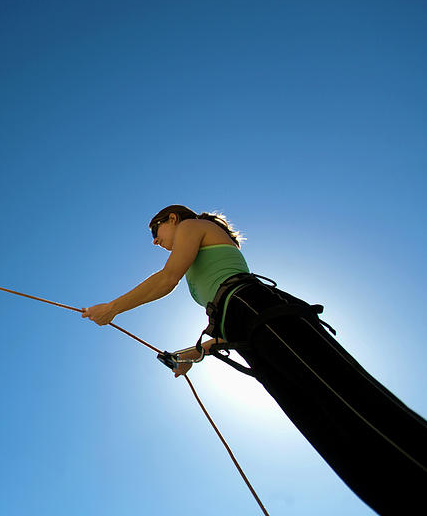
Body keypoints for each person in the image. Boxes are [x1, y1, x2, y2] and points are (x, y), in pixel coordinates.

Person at [83, 205, 427, 515]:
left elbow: (167, 278)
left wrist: (112, 308)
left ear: (171, 218)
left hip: (257, 307)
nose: (156, 242)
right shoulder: (198, 267)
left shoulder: (191, 225)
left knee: (342, 398)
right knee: (322, 425)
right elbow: (221, 326)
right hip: (244, 325)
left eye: (155, 232)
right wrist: (192, 354)